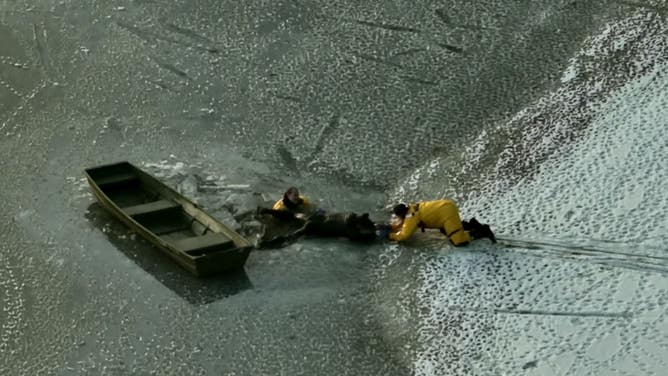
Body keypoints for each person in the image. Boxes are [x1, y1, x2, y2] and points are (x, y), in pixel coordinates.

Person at [379, 199, 496, 246]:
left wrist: (390, 235)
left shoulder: (411, 217)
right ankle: (471, 224)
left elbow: (404, 235)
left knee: (459, 242)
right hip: (446, 206)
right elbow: (406, 224)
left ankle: (482, 231)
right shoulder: (412, 207)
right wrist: (393, 227)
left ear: (402, 214)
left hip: (446, 215)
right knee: (448, 229)